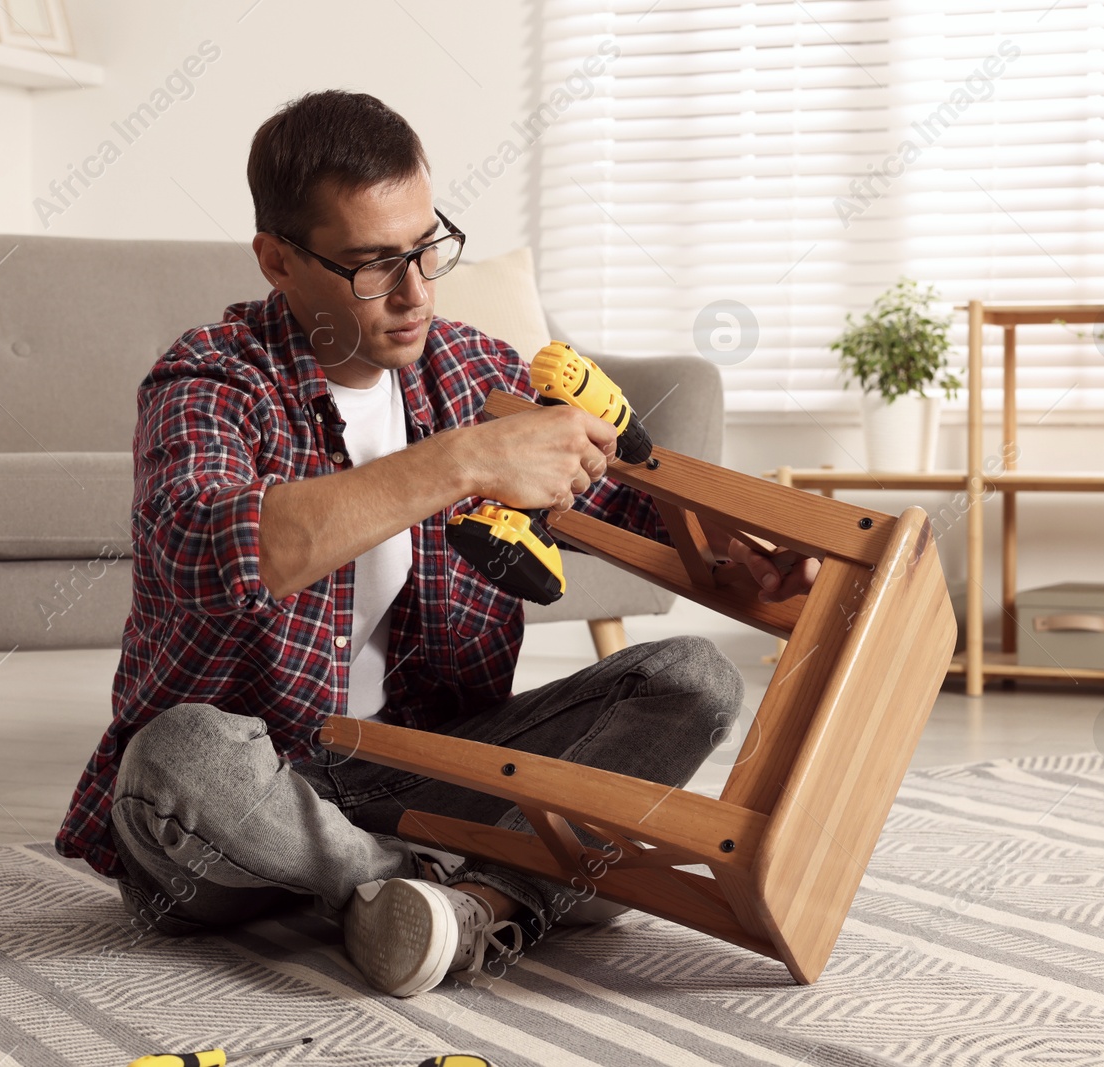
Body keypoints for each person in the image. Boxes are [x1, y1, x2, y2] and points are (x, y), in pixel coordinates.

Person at [54, 89, 817, 998]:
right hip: (240, 809)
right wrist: (462, 461)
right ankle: (486, 888)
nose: (416, 292)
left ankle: (430, 907)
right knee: (176, 757)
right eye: (376, 264)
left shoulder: (478, 370)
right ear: (277, 261)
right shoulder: (210, 379)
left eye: (426, 248)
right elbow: (210, 548)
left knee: (695, 678)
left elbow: (639, 511)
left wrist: (740, 549)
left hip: (424, 769)